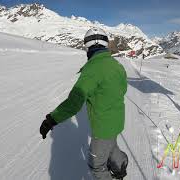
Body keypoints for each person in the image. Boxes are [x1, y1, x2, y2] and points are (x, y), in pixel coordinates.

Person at [40, 27, 128, 180]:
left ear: (88, 47)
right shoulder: (117, 65)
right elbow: (122, 89)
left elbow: (75, 102)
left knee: (97, 166)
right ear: (106, 44)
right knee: (111, 145)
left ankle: (118, 168)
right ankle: (120, 165)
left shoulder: (93, 69)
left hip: (103, 127)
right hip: (117, 121)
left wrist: (51, 119)